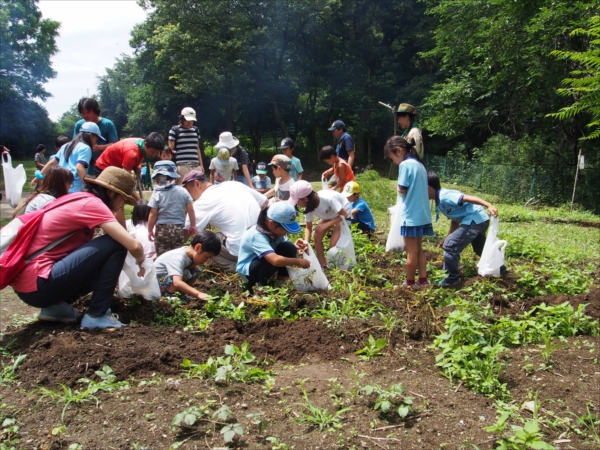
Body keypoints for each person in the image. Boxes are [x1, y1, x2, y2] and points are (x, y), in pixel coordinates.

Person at [9, 167, 145, 329]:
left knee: (103, 260)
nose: (121, 205)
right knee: (116, 244)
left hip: (28, 285)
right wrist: (141, 259)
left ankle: (56, 307)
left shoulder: (79, 199)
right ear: (111, 193)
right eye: (122, 199)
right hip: (39, 284)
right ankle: (97, 315)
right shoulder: (94, 205)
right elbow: (132, 244)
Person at [427, 171, 503, 287]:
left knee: (451, 245)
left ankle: (452, 279)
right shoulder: (439, 201)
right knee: (481, 249)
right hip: (475, 220)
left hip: (475, 219)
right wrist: (447, 236)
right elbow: (455, 219)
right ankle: (500, 268)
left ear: (427, 187)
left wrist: (488, 205)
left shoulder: (445, 196)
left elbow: (467, 198)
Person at [182, 171, 268, 272]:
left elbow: (185, 232)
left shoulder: (203, 202)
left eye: (188, 192)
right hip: (264, 246)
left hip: (242, 250)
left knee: (208, 240)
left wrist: (171, 254)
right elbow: (265, 202)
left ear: (197, 184)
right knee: (220, 235)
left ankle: (239, 268)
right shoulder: (234, 184)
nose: (189, 198)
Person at [384, 136, 433, 287]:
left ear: (399, 151)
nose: (393, 162)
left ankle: (409, 283)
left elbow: (402, 189)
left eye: (392, 157)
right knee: (419, 250)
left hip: (411, 216)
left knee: (411, 252)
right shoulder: (420, 165)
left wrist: (398, 187)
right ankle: (423, 281)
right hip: (422, 215)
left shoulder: (405, 165)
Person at [237, 202, 310, 292]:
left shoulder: (274, 230)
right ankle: (260, 287)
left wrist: (296, 247)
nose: (286, 232)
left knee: (288, 247)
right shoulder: (257, 235)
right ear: (271, 223)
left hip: (266, 262)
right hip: (250, 271)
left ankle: (281, 281)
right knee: (267, 259)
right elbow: (275, 260)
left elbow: (284, 247)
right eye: (285, 229)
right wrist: (297, 261)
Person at [288, 181, 351, 269]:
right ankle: (323, 264)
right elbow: (308, 228)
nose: (296, 204)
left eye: (297, 201)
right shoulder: (309, 206)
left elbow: (344, 214)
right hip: (329, 215)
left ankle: (341, 264)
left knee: (333, 243)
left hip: (343, 213)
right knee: (317, 235)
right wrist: (306, 242)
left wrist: (328, 224)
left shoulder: (328, 199)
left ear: (305, 199)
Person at [148, 161, 197, 256]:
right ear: (175, 176)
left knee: (161, 256)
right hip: (178, 229)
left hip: (162, 229)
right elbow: (190, 210)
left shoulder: (157, 193)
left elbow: (153, 213)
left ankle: (162, 270)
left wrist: (150, 230)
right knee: (176, 256)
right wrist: (193, 225)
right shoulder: (183, 191)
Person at [94, 134, 163, 201]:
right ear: (145, 145)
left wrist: (137, 167)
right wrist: (138, 200)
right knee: (110, 199)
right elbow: (125, 181)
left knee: (118, 200)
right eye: (153, 152)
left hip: (117, 168)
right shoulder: (132, 153)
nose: (154, 155)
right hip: (104, 167)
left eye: (157, 153)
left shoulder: (142, 145)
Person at [154, 231, 221, 300]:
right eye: (206, 257)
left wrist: (194, 264)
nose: (205, 261)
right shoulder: (178, 258)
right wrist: (198, 294)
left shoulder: (188, 254)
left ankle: (182, 293)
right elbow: (177, 282)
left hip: (165, 280)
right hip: (156, 284)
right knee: (180, 274)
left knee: (196, 270)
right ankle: (168, 295)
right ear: (198, 248)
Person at [40, 122, 103, 193]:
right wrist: (89, 187)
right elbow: (79, 167)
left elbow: (52, 162)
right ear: (91, 135)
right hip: (75, 188)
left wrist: (39, 176)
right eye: (96, 139)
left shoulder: (66, 145)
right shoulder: (85, 148)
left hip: (61, 187)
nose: (95, 143)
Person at [73, 98, 119, 173]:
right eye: (83, 113)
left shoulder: (107, 124)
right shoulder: (79, 125)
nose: (85, 115)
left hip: (104, 167)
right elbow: (74, 144)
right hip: (84, 167)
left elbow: (115, 146)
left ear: (96, 111)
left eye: (88, 112)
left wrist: (100, 147)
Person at [168, 107, 205, 181]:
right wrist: (173, 167)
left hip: (195, 165)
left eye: (192, 121)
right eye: (188, 121)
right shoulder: (175, 130)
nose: (190, 123)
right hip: (182, 166)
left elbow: (197, 148)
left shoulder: (195, 130)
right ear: (182, 119)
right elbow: (170, 151)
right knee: (183, 189)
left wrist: (201, 165)